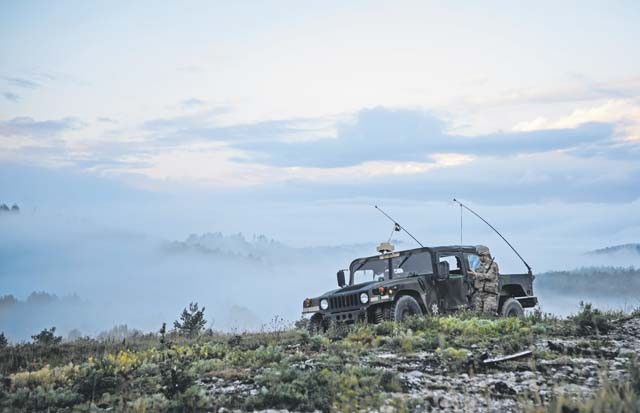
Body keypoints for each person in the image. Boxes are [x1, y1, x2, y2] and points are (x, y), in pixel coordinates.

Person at [468, 245, 499, 314]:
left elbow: (489, 276)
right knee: (477, 315)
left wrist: (476, 274)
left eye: (480, 256)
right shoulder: (480, 266)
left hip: (489, 295)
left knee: (488, 315)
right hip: (480, 294)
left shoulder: (493, 265)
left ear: (485, 255)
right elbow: (476, 277)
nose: (479, 258)